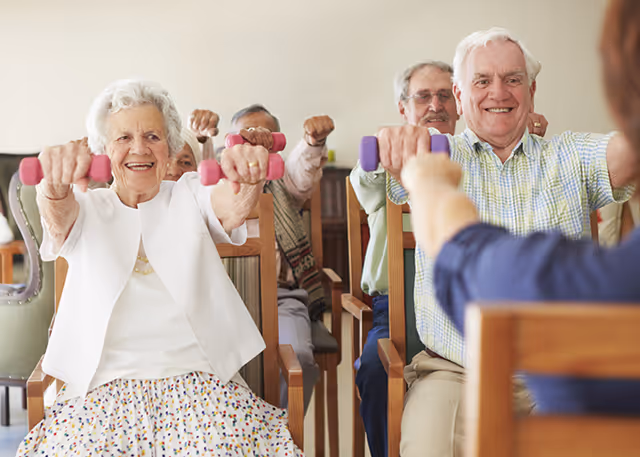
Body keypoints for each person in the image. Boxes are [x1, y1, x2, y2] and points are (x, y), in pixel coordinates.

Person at [375, 27, 636, 456]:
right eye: (482, 81)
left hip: (561, 366)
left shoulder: (570, 155)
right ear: (459, 96)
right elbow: (372, 175)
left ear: (531, 91)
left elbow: (626, 155)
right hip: (456, 372)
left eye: (513, 79)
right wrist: (394, 143)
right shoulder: (439, 152)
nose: (499, 91)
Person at [17, 79, 302, 456]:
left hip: (201, 386)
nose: (139, 149)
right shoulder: (87, 207)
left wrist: (249, 179)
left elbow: (232, 206)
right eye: (123, 138)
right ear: (104, 151)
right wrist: (51, 184)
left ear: (169, 150)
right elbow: (57, 217)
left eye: (152, 136)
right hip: (101, 392)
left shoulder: (189, 194)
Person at [349, 60, 546, 457]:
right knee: (374, 368)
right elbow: (365, 180)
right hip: (399, 311)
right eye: (423, 96)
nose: (435, 105)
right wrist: (390, 148)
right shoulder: (391, 159)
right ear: (403, 108)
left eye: (444, 95)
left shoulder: (482, 157)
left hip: (470, 309)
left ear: (459, 104)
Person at [226, 104, 335, 412]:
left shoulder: (284, 183)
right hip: (227, 297)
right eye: (247, 139)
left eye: (266, 139)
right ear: (231, 144)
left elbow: (303, 173)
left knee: (298, 357)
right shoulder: (219, 183)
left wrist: (313, 143)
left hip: (282, 297)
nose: (256, 147)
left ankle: (282, 436)